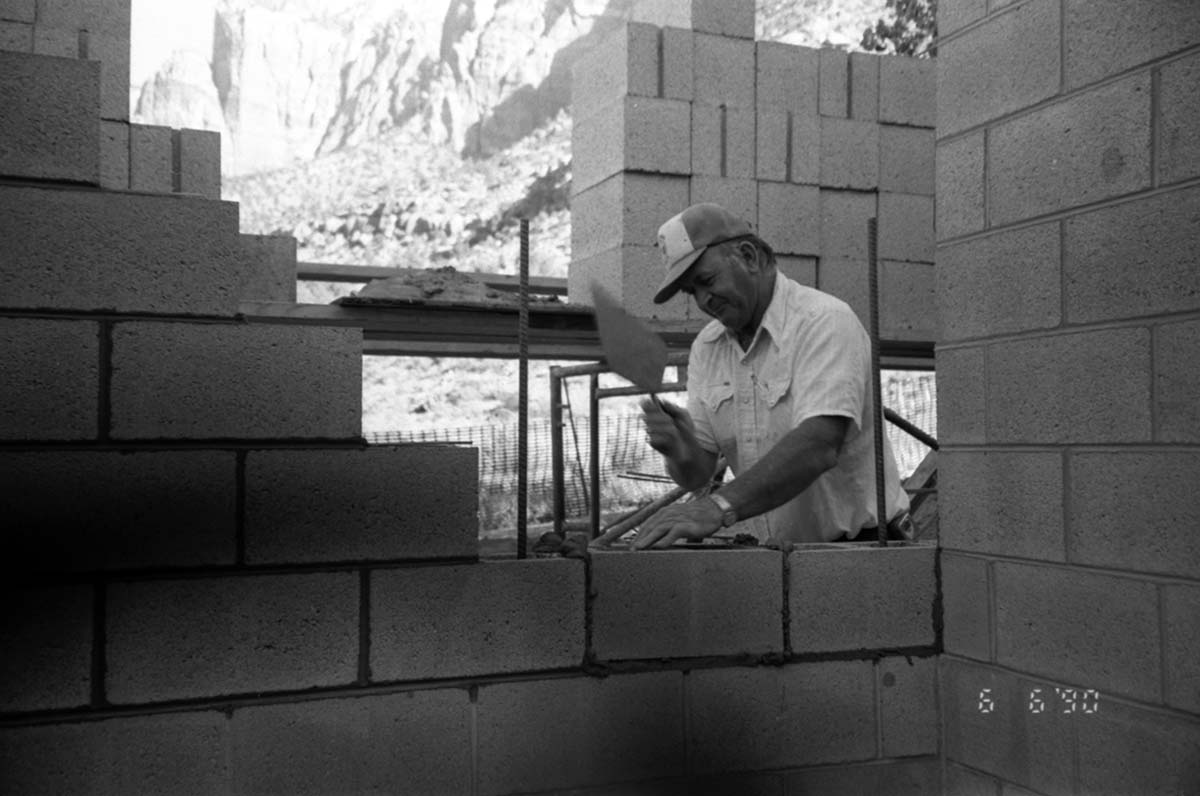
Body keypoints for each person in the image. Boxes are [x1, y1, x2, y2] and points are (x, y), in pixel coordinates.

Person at [633, 202, 910, 549]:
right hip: (781, 556)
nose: (703, 301)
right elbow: (697, 474)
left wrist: (718, 507)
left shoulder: (823, 322)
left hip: (862, 548)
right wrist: (678, 448)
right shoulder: (708, 346)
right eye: (692, 292)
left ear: (749, 256)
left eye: (706, 281)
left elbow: (818, 445)